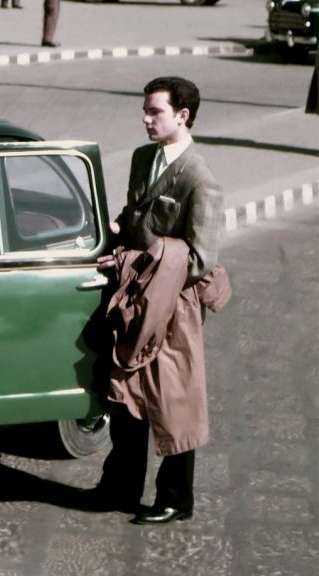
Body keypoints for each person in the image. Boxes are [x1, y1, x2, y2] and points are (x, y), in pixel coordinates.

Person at [86, 76, 228, 525]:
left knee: (173, 398)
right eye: (145, 111)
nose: (146, 120)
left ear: (182, 116)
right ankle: (120, 487)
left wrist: (138, 263)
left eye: (155, 112)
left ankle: (175, 498)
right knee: (125, 392)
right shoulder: (142, 158)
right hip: (134, 300)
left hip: (173, 307)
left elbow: (201, 258)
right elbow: (135, 216)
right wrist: (114, 229)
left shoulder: (200, 178)